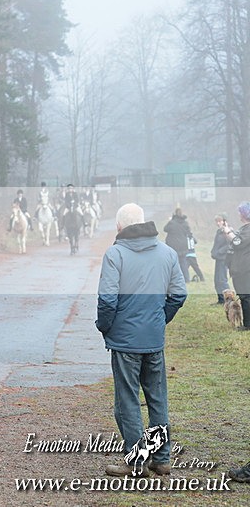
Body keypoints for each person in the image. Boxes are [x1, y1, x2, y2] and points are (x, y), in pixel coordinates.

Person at [96, 203, 187, 477]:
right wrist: (160, 320)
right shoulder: (168, 253)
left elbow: (108, 300)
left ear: (119, 227)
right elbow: (179, 294)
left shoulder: (115, 254)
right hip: (153, 340)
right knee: (157, 399)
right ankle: (161, 458)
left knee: (128, 401)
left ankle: (136, 461)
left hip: (125, 343)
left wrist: (105, 327)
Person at [222, 201, 250, 328]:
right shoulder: (245, 229)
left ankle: (248, 324)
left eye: (240, 211)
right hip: (241, 268)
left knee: (246, 296)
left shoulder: (248, 229)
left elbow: (238, 242)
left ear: (245, 214)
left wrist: (228, 232)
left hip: (244, 269)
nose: (238, 214)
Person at [163, 207, 193, 282]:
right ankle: (186, 279)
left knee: (172, 263)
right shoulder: (185, 223)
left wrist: (170, 220)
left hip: (173, 246)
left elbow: (165, 229)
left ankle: (172, 279)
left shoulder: (172, 222)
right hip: (183, 246)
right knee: (183, 262)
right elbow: (189, 233)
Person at [211, 213, 231, 304]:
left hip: (224, 258)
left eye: (220, 221)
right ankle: (221, 300)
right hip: (218, 259)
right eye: (217, 221)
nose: (218, 223)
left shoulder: (227, 231)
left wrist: (219, 252)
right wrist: (213, 252)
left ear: (224, 221)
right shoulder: (218, 231)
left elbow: (229, 244)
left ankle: (228, 300)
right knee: (217, 280)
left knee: (222, 280)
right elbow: (216, 244)